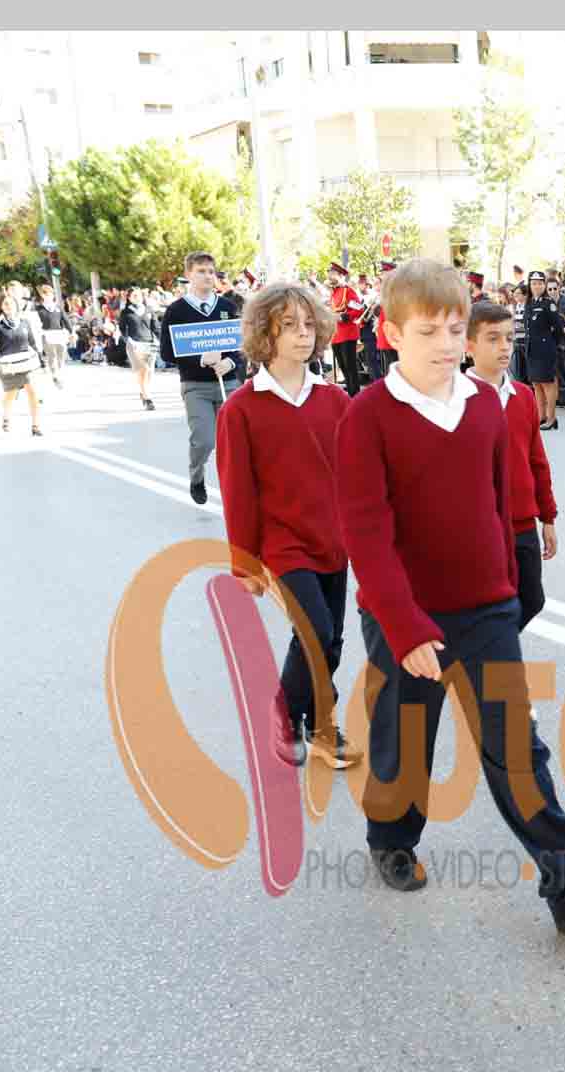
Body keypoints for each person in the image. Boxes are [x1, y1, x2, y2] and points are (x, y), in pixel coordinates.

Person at [337, 259, 565, 926]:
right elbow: (366, 535)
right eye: (427, 331)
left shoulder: (486, 404)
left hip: (486, 610)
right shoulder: (367, 416)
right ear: (390, 334)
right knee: (406, 739)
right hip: (405, 616)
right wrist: (404, 627)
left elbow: (498, 500)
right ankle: (391, 838)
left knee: (517, 748)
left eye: (455, 330)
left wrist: (508, 586)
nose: (446, 344)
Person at [214, 282, 362, 770]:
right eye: (289, 326)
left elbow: (358, 474)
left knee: (331, 639)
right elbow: (238, 492)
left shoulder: (335, 400)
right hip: (283, 544)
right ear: (265, 333)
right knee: (315, 631)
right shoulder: (241, 409)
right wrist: (244, 563)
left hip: (333, 539)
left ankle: (320, 727)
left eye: (309, 325)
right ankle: (286, 713)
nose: (303, 334)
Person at [465, 300, 559, 631]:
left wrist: (548, 517)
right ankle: (487, 654)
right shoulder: (456, 399)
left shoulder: (522, 395)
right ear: (468, 345)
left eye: (509, 338)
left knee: (532, 599)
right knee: (487, 605)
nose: (504, 346)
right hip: (481, 527)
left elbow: (537, 460)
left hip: (521, 523)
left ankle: (486, 649)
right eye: (493, 338)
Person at [162, 252, 248, 505]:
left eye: (211, 271)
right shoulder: (176, 311)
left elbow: (241, 344)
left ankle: (235, 488)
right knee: (205, 440)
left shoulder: (227, 307)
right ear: (188, 275)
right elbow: (167, 352)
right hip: (195, 386)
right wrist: (200, 359)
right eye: (201, 271)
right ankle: (197, 476)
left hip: (228, 383)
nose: (208, 276)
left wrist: (231, 362)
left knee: (233, 441)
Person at [0, 291, 45, 436]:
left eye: (11, 303)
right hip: (8, 365)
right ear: (1, 307)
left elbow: (32, 341)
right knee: (11, 394)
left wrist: (40, 357)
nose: (8, 306)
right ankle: (6, 417)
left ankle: (36, 425)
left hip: (26, 363)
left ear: (16, 305)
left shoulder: (24, 322)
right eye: (5, 304)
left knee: (33, 392)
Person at [520, 270, 565, 430]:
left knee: (548, 383)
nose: (537, 286)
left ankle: (551, 418)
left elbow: (558, 328)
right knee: (536, 383)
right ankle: (541, 416)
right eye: (534, 283)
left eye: (540, 283)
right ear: (530, 285)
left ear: (544, 285)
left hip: (545, 349)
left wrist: (551, 344)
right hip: (532, 348)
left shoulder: (548, 304)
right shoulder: (529, 303)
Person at [325, 263, 365, 393]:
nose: (330, 276)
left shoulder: (348, 291)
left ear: (340, 276)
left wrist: (343, 317)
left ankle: (355, 394)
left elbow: (359, 310)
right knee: (342, 366)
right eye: (329, 274)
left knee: (350, 367)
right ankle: (351, 392)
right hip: (336, 335)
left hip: (347, 333)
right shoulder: (334, 293)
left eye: (332, 274)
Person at [118, 288, 160, 410]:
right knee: (143, 369)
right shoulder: (126, 312)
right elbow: (122, 329)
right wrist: (128, 340)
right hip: (134, 344)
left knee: (149, 372)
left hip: (150, 344)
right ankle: (147, 399)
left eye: (139, 295)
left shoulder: (149, 310)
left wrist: (161, 340)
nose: (137, 297)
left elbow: (156, 327)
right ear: (129, 298)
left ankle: (143, 391)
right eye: (134, 296)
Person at [33, 284, 72, 387]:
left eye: (50, 294)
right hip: (46, 333)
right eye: (46, 294)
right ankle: (55, 375)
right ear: (42, 296)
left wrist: (71, 331)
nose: (48, 296)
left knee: (61, 353)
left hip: (59, 333)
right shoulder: (39, 309)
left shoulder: (58, 307)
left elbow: (65, 320)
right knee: (51, 355)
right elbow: (35, 323)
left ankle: (60, 371)